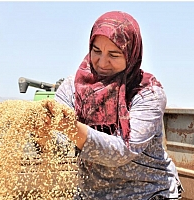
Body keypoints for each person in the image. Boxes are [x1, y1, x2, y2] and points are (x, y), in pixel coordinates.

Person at [41, 10, 183, 200]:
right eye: (96, 51)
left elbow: (123, 151)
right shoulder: (73, 87)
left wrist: (72, 128)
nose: (102, 62)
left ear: (131, 54)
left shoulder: (147, 94)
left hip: (147, 192)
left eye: (114, 55)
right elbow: (59, 144)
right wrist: (43, 134)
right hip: (92, 194)